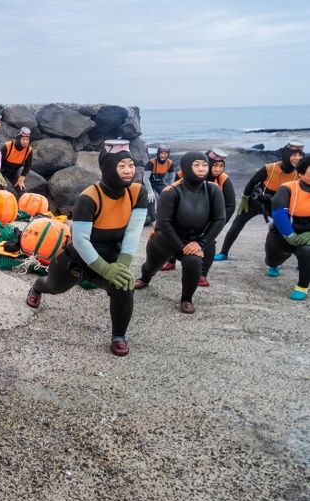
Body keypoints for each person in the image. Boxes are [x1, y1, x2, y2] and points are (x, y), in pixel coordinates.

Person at [26, 139, 147, 357]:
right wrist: (105, 269)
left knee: (123, 285)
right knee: (54, 286)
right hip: (76, 259)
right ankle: (36, 287)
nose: (129, 170)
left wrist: (121, 265)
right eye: (122, 166)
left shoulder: (137, 193)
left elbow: (133, 232)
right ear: (108, 167)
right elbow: (81, 241)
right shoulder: (89, 197)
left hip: (111, 254)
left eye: (131, 165)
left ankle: (118, 336)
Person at [133, 152, 226, 313]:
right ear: (186, 168)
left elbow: (220, 219)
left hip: (194, 240)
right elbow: (164, 223)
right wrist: (183, 247)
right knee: (151, 265)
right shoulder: (171, 191)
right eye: (196, 165)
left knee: (193, 262)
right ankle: (145, 278)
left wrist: (200, 243)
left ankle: (186, 299)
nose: (201, 169)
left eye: (204, 165)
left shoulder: (213, 190)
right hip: (165, 239)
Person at [216, 141, 304, 260]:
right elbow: (252, 182)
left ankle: (300, 258)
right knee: (236, 225)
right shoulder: (270, 168)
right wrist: (245, 198)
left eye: (300, 155)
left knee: (286, 231)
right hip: (255, 202)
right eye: (294, 155)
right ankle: (223, 253)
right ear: (286, 154)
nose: (297, 158)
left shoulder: (299, 174)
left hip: (276, 206)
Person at [160, 148, 236, 284]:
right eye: (215, 165)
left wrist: (217, 224)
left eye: (221, 166)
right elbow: (174, 193)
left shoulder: (223, 179)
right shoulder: (183, 174)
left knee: (209, 242)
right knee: (174, 235)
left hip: (209, 218)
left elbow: (230, 205)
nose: (218, 169)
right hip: (184, 214)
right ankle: (171, 261)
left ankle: (202, 274)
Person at [265, 155, 310, 300]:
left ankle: (302, 286)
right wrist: (289, 235)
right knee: (272, 259)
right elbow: (279, 214)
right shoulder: (288, 188)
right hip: (283, 231)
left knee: (306, 252)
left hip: (307, 232)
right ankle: (273, 265)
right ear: (301, 172)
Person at [144, 145, 174, 226]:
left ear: (168, 154)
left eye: (165, 153)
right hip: (149, 182)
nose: (163, 155)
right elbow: (145, 178)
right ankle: (154, 221)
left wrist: (169, 187)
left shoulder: (169, 163)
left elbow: (171, 177)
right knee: (151, 200)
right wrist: (150, 191)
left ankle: (166, 218)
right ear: (158, 153)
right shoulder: (151, 163)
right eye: (161, 153)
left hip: (160, 182)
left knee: (166, 197)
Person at [0, 127, 33, 196]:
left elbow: (28, 165)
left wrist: (22, 177)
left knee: (21, 190)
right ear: (18, 139)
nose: (25, 142)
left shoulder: (29, 150)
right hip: (0, 170)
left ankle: (22, 202)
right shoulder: (7, 146)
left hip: (13, 172)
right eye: (23, 139)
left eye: (27, 140)